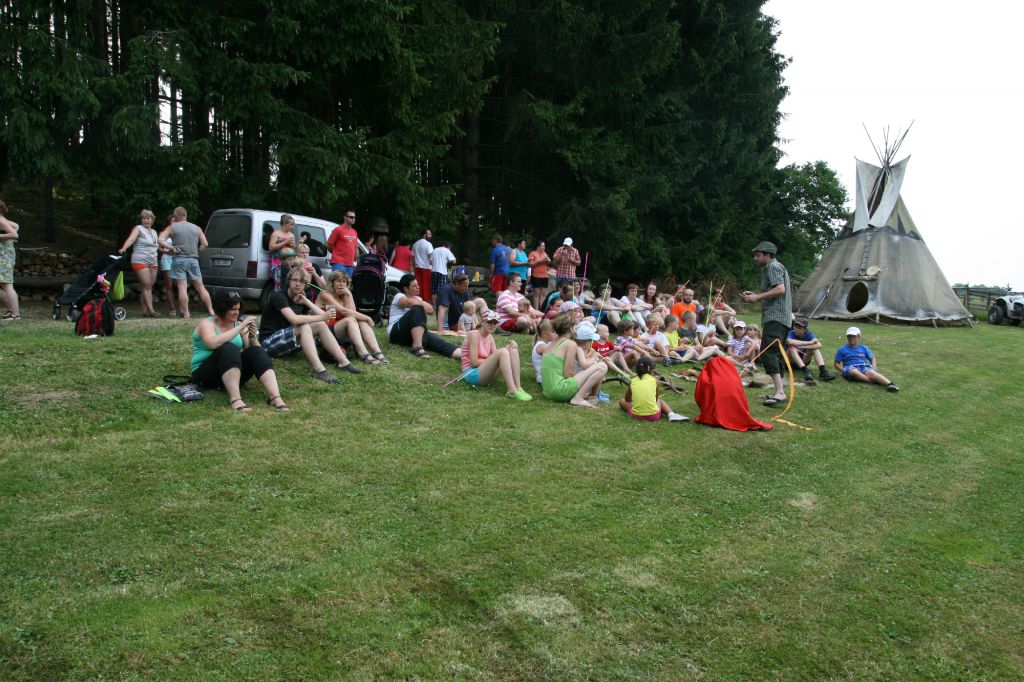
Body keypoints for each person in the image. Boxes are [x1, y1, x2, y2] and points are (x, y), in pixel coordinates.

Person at [259, 267, 363, 383]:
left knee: (320, 325)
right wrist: (323, 317)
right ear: (288, 281)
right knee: (304, 326)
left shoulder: (299, 298)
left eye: (302, 281)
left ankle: (343, 362)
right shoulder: (279, 296)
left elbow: (324, 317)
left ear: (305, 285)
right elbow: (294, 319)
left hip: (287, 342)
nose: (298, 284)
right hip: (268, 344)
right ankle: (319, 369)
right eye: (295, 280)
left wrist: (306, 301)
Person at [191, 289, 288, 412]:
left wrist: (252, 337)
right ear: (222, 309)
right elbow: (212, 343)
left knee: (257, 351)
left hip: (229, 372)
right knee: (229, 347)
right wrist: (241, 327)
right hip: (205, 374)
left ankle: (275, 397)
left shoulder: (238, 325)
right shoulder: (207, 323)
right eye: (233, 309)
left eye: (238, 309)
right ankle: (235, 399)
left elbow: (251, 352)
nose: (237, 312)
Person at [741, 241, 792, 407]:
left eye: (758, 255)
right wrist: (757, 295)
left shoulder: (773, 267)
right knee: (776, 353)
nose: (755, 258)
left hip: (776, 317)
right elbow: (774, 292)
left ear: (768, 255)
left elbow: (780, 289)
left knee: (768, 352)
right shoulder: (772, 268)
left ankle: (780, 393)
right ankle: (780, 390)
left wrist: (757, 297)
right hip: (781, 318)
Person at [317, 271, 390, 365]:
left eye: (344, 282)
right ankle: (363, 353)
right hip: (324, 330)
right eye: (338, 281)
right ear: (332, 282)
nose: (341, 284)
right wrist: (367, 317)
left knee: (361, 321)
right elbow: (344, 312)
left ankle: (377, 352)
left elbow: (352, 313)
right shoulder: (325, 294)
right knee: (352, 320)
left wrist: (349, 295)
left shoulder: (344, 296)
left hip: (339, 329)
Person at [460, 310, 532, 400]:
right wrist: (497, 356)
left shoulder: (490, 337)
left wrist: (508, 348)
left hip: (484, 373)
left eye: (495, 323)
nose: (492, 325)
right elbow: (474, 363)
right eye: (490, 322)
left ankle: (518, 387)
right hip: (471, 374)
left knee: (512, 349)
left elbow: (496, 357)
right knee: (503, 352)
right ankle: (512, 391)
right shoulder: (474, 335)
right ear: (482, 322)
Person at [158, 206, 214, 320]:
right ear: (186, 215)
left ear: (176, 216)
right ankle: (211, 311)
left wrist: (171, 247)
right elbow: (205, 244)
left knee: (182, 287)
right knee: (200, 287)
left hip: (179, 259)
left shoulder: (172, 227)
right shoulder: (196, 228)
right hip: (193, 259)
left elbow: (160, 239)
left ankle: (186, 314)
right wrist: (197, 252)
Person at [541, 314, 608, 408]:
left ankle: (584, 395)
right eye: (575, 327)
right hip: (559, 391)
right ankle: (578, 398)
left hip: (547, 392)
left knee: (591, 376)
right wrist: (587, 374)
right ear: (571, 328)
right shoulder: (570, 344)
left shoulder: (552, 343)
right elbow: (567, 374)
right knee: (602, 366)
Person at [388, 274, 461, 360]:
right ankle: (417, 347)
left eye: (417, 285)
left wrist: (424, 305)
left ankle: (465, 354)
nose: (418, 287)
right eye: (414, 286)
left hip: (412, 335)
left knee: (439, 343)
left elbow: (428, 312)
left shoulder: (419, 299)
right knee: (418, 308)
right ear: (406, 289)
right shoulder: (399, 296)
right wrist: (423, 304)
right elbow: (407, 303)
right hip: (396, 333)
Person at [118, 209, 161, 317]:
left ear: (152, 220)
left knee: (148, 286)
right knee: (146, 285)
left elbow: (156, 246)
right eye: (143, 218)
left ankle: (145, 312)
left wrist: (167, 250)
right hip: (140, 259)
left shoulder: (154, 232)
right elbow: (131, 239)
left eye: (148, 218)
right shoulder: (138, 228)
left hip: (153, 260)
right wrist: (124, 248)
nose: (146, 220)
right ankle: (152, 311)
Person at [618, 356, 688, 422]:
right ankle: (671, 414)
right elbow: (656, 399)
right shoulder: (655, 381)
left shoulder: (633, 381)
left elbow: (627, 399)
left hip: (636, 416)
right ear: (651, 369)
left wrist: (636, 400)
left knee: (621, 401)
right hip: (654, 416)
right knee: (659, 400)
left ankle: (641, 409)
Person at [834, 327, 899, 391]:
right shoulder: (842, 349)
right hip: (850, 367)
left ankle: (890, 384)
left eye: (854, 336)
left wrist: (874, 367)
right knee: (854, 372)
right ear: (847, 337)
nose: (851, 338)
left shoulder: (864, 348)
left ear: (859, 336)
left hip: (863, 366)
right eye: (849, 336)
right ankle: (873, 381)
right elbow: (836, 363)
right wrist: (842, 370)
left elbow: (872, 358)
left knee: (872, 373)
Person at [786, 317, 836, 383]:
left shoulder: (809, 334)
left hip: (803, 361)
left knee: (815, 349)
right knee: (792, 348)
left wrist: (802, 346)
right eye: (795, 327)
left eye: (799, 328)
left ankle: (823, 371)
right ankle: (806, 371)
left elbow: (819, 345)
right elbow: (789, 341)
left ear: (805, 330)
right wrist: (809, 343)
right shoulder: (791, 333)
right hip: (789, 362)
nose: (796, 329)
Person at [0, 200, 20, 321]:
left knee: (7, 285)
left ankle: (16, 315)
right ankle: (11, 310)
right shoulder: (2, 218)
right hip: (4, 254)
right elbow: (16, 226)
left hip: (4, 256)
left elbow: (14, 235)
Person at [269, 213, 297, 289]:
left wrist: (293, 245)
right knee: (278, 282)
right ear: (284, 224)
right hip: (278, 262)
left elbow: (293, 248)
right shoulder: (276, 233)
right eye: (290, 224)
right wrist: (285, 242)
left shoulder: (291, 235)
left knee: (288, 282)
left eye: (293, 225)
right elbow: (271, 247)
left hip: (289, 262)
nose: (292, 226)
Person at [327, 209, 359, 276]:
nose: (353, 219)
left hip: (350, 264)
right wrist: (336, 253)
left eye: (354, 217)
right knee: (337, 281)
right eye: (351, 217)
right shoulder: (338, 229)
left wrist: (357, 260)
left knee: (348, 282)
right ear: (345, 217)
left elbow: (355, 248)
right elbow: (329, 244)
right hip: (338, 263)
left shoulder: (354, 232)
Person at [158, 213, 178, 316]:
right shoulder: (163, 233)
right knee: (169, 285)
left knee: (180, 285)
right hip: (166, 259)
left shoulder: (180, 233)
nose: (173, 223)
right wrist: (166, 251)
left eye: (175, 221)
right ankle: (172, 309)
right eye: (172, 221)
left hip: (178, 260)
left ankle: (183, 308)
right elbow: (158, 247)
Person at [411, 229, 434, 303]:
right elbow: (431, 256)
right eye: (429, 234)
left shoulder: (415, 243)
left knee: (418, 285)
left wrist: (414, 266)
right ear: (424, 235)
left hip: (417, 267)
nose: (431, 236)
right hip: (426, 267)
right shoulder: (428, 244)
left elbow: (413, 256)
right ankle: (426, 302)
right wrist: (433, 264)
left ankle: (419, 301)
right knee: (427, 286)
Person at [527, 240, 551, 310]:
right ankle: (536, 310)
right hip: (536, 275)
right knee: (536, 294)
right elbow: (530, 265)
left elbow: (549, 263)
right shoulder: (532, 253)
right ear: (538, 247)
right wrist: (541, 261)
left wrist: (548, 261)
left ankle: (542, 310)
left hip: (545, 275)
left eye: (544, 246)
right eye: (543, 246)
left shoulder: (544, 253)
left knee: (543, 294)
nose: (544, 247)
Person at [531, 319, 555, 384]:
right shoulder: (542, 346)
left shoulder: (544, 344)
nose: (555, 334)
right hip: (543, 378)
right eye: (553, 332)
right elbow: (555, 358)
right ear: (544, 333)